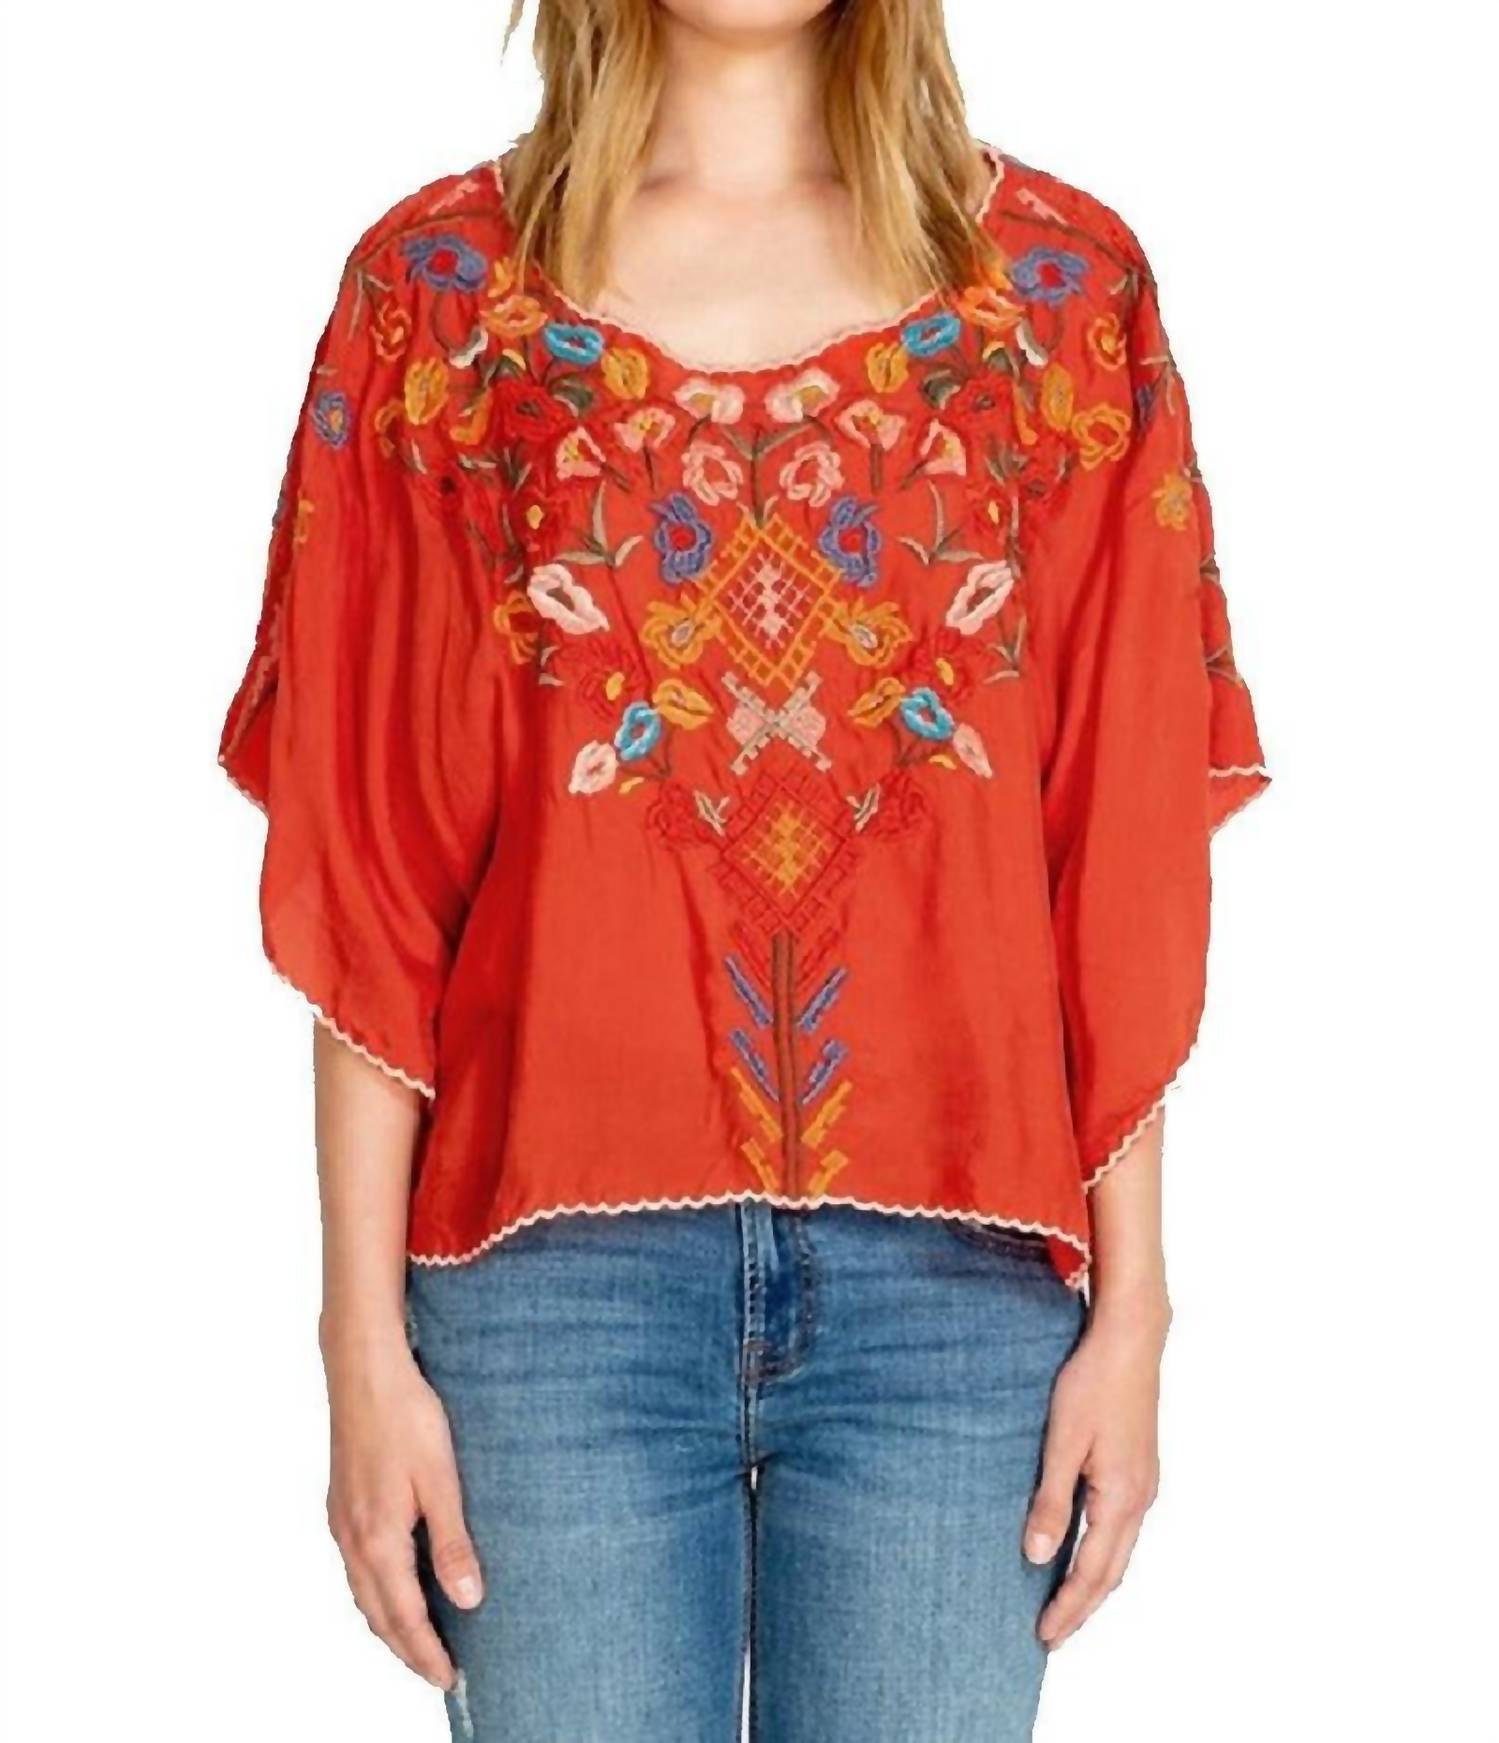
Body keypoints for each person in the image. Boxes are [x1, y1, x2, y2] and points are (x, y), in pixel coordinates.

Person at [218, 1, 1268, 1736]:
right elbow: (375, 862)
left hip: (962, 1295)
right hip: (545, 1300)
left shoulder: (1061, 300)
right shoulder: (439, 300)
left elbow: (1118, 838)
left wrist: (1138, 1307)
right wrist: (357, 1347)